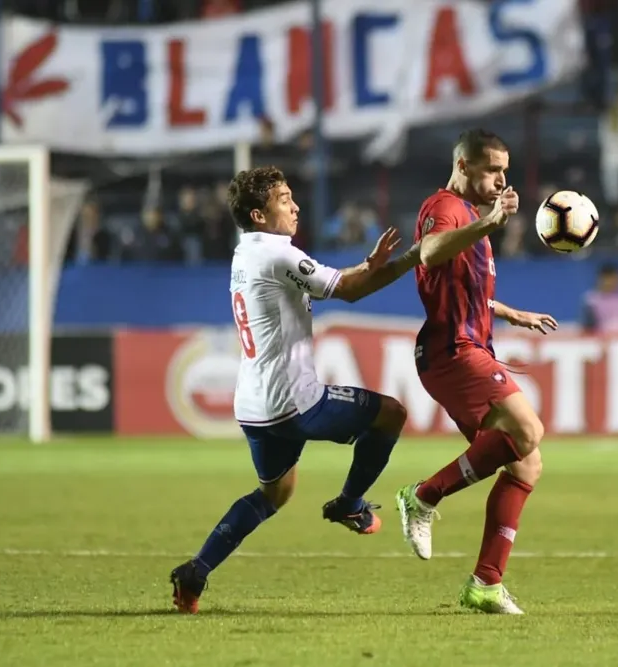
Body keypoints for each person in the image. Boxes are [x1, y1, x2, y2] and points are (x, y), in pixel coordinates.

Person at [169, 166, 422, 614]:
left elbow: (332, 281)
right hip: (294, 403)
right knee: (392, 414)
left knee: (275, 494)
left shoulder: (246, 253)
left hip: (254, 406)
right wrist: (417, 256)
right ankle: (349, 504)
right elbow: (348, 291)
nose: (295, 205)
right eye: (284, 199)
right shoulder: (276, 254)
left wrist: (366, 265)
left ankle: (196, 572)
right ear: (258, 215)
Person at [394, 130, 557, 615]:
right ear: (463, 165)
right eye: (492, 169)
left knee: (526, 463)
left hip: (471, 344)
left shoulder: (470, 217)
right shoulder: (445, 208)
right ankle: (423, 495)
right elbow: (429, 252)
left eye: (505, 169)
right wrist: (488, 223)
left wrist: (509, 312)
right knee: (528, 428)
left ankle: (485, 584)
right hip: (451, 350)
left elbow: (465, 286)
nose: (502, 179)